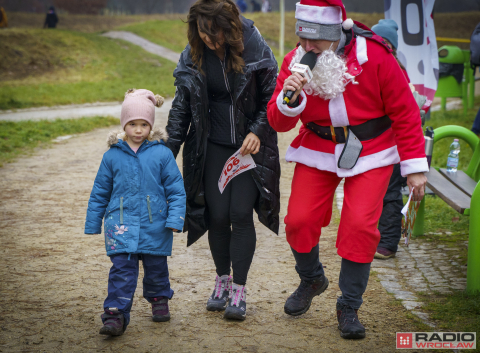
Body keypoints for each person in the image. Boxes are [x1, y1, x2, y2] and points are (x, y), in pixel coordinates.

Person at [267, 0, 428, 339]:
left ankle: (349, 304)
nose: (307, 49)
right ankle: (312, 278)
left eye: (315, 42)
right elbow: (278, 122)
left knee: (358, 226)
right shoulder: (294, 61)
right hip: (319, 147)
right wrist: (288, 98)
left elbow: (406, 112)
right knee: (298, 220)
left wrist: (414, 167)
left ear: (334, 33)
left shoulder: (376, 57)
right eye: (302, 40)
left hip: (372, 151)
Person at [166, 0, 280, 321]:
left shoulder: (254, 45)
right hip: (212, 146)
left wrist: (258, 130)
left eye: (216, 34)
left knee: (240, 213)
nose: (210, 40)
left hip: (248, 148)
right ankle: (222, 281)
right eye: (203, 33)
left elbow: (272, 95)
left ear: (230, 28)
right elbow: (181, 108)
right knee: (216, 216)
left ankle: (240, 290)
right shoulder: (192, 56)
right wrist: (166, 152)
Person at [85, 89, 186, 336]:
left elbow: (176, 189)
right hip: (120, 224)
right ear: (124, 125)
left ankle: (159, 299)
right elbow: (100, 191)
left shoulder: (162, 153)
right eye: (132, 124)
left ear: (150, 126)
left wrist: (175, 219)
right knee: (121, 270)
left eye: (143, 124)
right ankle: (115, 315)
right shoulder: (112, 156)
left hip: (156, 224)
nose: (138, 130)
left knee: (156, 267)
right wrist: (93, 222)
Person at [371, 19, 408, 260]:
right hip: (380, 141)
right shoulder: (385, 63)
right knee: (380, 192)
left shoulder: (395, 69)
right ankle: (378, 238)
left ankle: (387, 243)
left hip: (394, 142)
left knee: (391, 192)